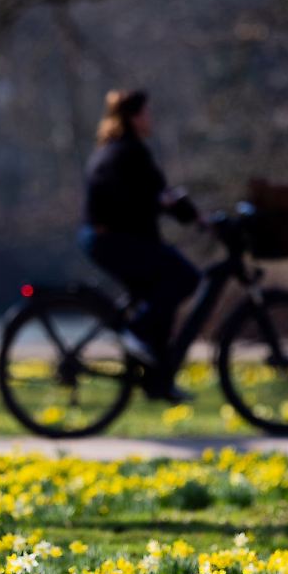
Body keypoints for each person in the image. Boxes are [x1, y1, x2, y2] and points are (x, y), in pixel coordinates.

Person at [78, 89, 203, 403]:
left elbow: (156, 195)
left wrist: (185, 212)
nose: (151, 119)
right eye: (147, 113)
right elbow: (153, 195)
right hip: (114, 240)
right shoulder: (130, 152)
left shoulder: (115, 149)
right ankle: (137, 333)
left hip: (104, 239)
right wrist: (191, 215)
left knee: (161, 293)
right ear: (134, 117)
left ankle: (157, 379)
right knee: (185, 276)